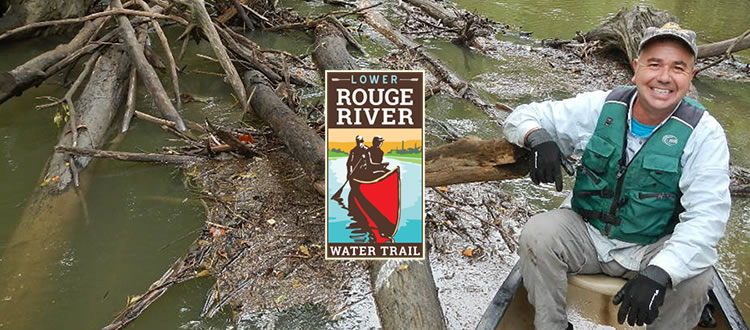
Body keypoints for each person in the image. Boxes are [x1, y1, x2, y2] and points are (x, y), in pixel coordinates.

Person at [502, 22, 730, 329]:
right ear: (636, 69)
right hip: (589, 233)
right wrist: (537, 137)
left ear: (691, 77)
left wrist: (662, 270)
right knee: (538, 234)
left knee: (696, 279)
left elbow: (708, 218)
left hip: (654, 244)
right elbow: (521, 116)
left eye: (678, 67)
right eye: (654, 64)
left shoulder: (705, 134)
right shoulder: (601, 106)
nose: (664, 77)